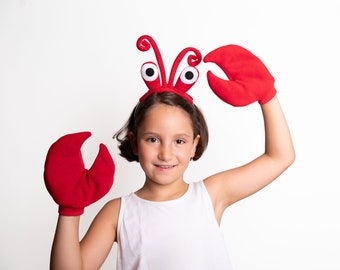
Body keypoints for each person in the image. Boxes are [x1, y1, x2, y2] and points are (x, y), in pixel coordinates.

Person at [44, 35, 295, 270]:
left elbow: (280, 157)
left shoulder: (212, 195)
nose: (165, 153)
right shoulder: (118, 211)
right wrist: (69, 209)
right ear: (134, 142)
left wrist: (267, 94)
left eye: (179, 141)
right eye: (153, 139)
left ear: (195, 145)